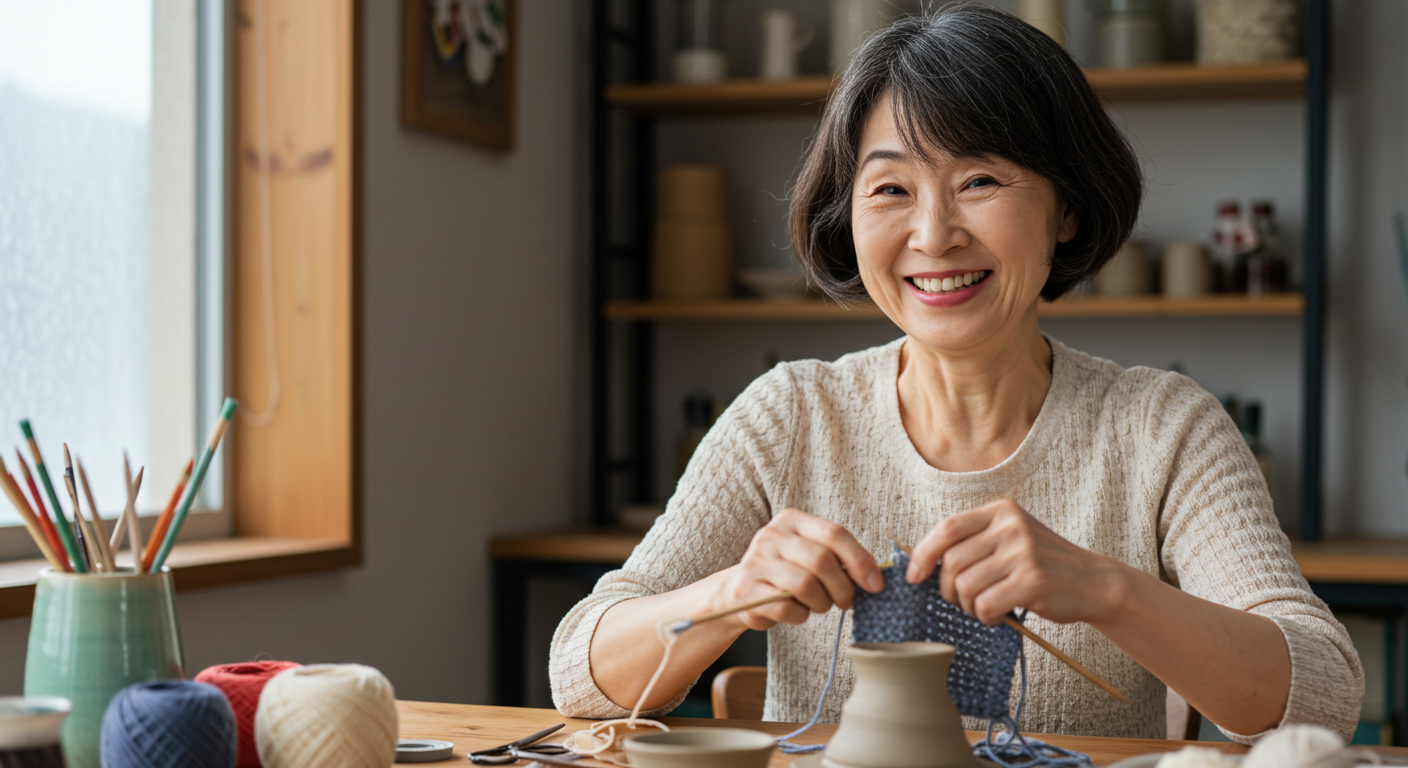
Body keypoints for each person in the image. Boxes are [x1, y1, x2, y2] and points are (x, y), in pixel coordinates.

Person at [549, 5, 1362, 742]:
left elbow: (1324, 692)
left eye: (979, 181)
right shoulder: (791, 414)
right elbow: (578, 674)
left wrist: (1110, 591)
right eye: (892, 188)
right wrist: (725, 596)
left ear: (1066, 207)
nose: (933, 236)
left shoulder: (1161, 427)